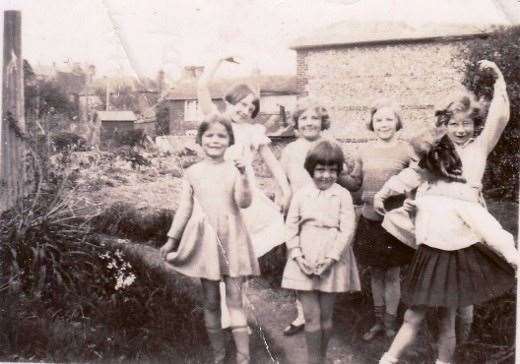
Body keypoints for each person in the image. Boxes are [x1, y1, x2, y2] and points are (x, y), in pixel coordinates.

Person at [377, 61, 519, 364]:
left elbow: (500, 116)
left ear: (474, 124)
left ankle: (447, 359)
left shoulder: (479, 148)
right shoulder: (437, 151)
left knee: (452, 316)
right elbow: (411, 177)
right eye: (454, 123)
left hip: (463, 238)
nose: (460, 129)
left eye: (466, 123)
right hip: (434, 239)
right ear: (444, 124)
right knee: (417, 313)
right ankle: (389, 359)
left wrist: (499, 80)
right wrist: (386, 192)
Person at [160, 114, 258, 364]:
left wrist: (245, 175)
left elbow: (244, 202)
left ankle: (243, 357)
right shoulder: (192, 172)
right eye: (210, 135)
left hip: (232, 238)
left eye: (221, 136)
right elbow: (184, 208)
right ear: (200, 140)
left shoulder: (235, 169)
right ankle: (218, 355)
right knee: (211, 300)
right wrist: (172, 239)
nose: (215, 140)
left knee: (235, 299)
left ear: (230, 140)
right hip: (206, 242)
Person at [279, 97, 362, 336]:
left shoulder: (331, 145)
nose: (309, 123)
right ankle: (302, 315)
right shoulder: (290, 150)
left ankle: (323, 312)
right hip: (299, 212)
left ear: (322, 122)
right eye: (303, 118)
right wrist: (281, 200)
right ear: (296, 123)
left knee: (324, 259)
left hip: (327, 212)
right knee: (299, 262)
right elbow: (282, 181)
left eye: (314, 118)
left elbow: (343, 176)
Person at [353, 99, 415, 341]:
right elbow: (356, 186)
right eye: (378, 119)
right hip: (370, 222)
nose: (384, 124)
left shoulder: (407, 150)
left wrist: (410, 202)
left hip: (395, 224)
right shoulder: (363, 150)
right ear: (372, 123)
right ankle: (378, 323)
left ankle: (390, 324)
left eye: (389, 119)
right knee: (376, 274)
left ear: (397, 122)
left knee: (392, 275)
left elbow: (417, 182)